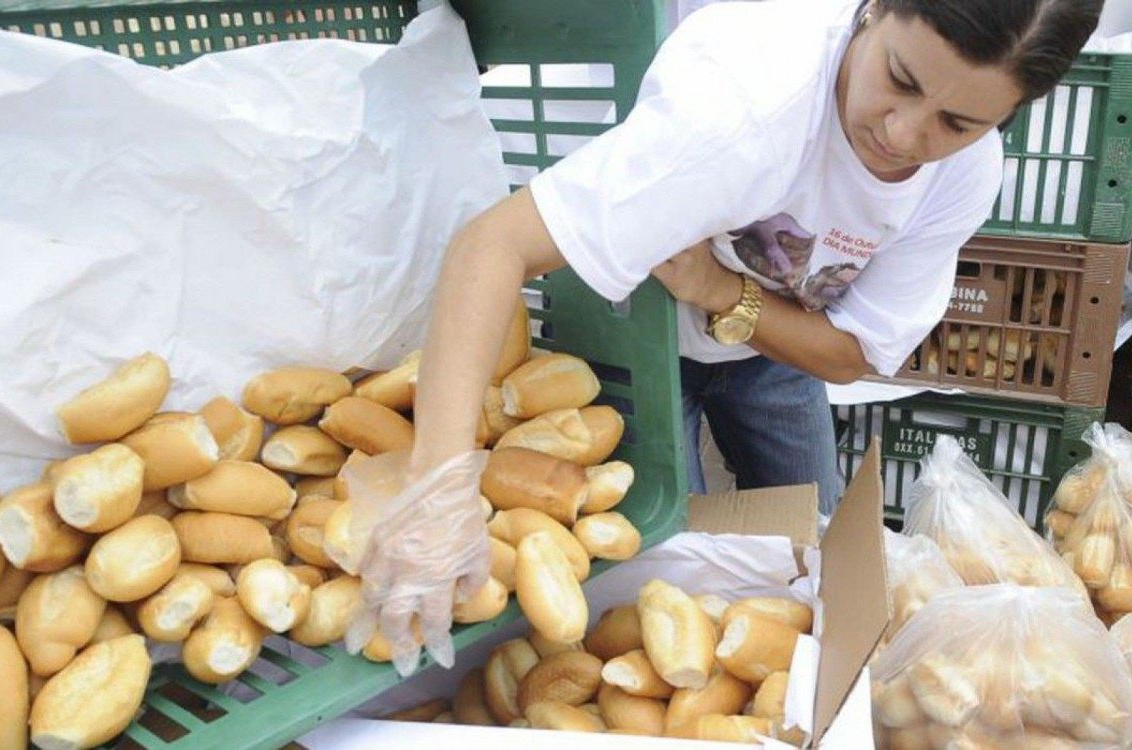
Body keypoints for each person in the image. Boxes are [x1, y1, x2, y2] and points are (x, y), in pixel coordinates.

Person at [342, 0, 1105, 672]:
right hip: (632, 333)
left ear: (1006, 116)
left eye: (958, 121)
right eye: (900, 79)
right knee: (655, 575)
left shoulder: (965, 174)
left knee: (818, 555)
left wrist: (719, 291)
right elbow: (491, 245)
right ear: (874, 8)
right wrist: (437, 487)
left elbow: (851, 356)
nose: (904, 134)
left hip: (776, 356)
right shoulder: (746, 104)